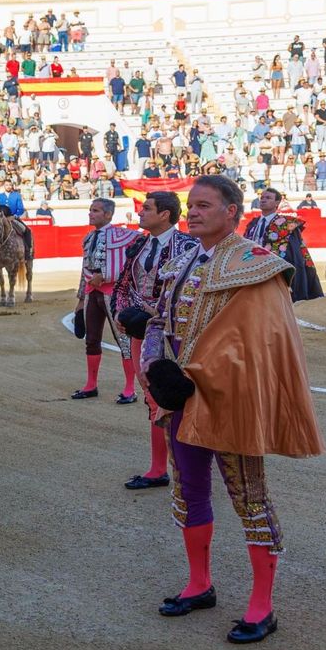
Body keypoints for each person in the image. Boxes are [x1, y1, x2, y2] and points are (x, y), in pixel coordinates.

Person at [141, 175, 325, 643]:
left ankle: (262, 606)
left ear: (232, 212)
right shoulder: (183, 261)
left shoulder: (256, 264)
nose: (194, 212)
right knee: (188, 490)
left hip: (229, 398)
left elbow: (257, 344)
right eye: (191, 205)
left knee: (249, 496)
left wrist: (194, 376)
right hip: (178, 398)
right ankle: (199, 584)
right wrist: (154, 368)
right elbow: (162, 319)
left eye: (204, 205)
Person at [112, 191, 197, 490]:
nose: (140, 212)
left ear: (165, 214)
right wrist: (123, 314)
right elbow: (124, 283)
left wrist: (159, 314)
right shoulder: (138, 243)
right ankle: (159, 468)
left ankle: (188, 466)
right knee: (153, 397)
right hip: (141, 333)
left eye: (147, 208)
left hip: (177, 335)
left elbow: (193, 290)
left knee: (184, 398)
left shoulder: (189, 246)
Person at [73, 197, 140, 402]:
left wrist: (108, 275)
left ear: (108, 214)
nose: (90, 213)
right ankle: (91, 385)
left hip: (114, 294)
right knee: (91, 340)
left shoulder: (125, 235)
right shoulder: (88, 238)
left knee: (124, 341)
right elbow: (84, 268)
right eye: (90, 210)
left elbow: (139, 248)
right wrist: (81, 299)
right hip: (93, 294)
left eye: (95, 210)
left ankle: (130, 388)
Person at [242, 188, 323, 302]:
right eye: (262, 198)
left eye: (268, 198)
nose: (263, 200)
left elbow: (294, 254)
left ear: (277, 203)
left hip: (275, 274)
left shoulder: (286, 224)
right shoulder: (253, 224)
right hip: (253, 271)